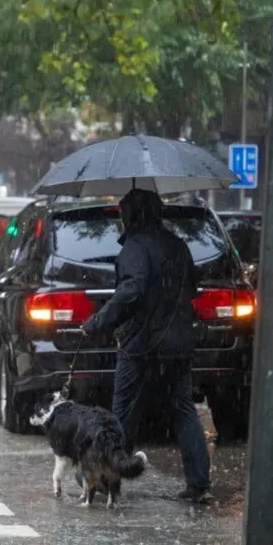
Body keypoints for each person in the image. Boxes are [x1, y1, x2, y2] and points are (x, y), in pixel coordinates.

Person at [81, 188, 212, 503]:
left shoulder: (135, 248)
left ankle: (107, 478)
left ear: (133, 214)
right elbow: (191, 290)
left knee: (122, 415)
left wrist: (99, 322)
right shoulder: (178, 246)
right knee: (183, 410)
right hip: (178, 343)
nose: (120, 217)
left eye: (123, 211)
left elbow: (132, 291)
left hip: (141, 345)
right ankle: (199, 484)